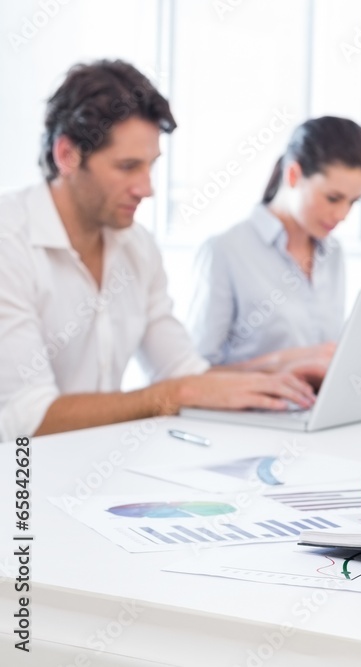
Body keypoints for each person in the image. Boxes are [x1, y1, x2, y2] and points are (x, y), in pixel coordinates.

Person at [0, 60, 317, 440]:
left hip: (96, 472)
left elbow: (183, 372)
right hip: (20, 484)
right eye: (127, 166)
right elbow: (26, 419)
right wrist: (171, 394)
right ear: (67, 155)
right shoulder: (10, 242)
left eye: (150, 166)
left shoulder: (137, 246)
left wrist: (284, 369)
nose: (146, 188)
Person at [187, 117, 361, 369]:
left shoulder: (332, 252)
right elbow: (193, 374)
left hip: (318, 406)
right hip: (252, 409)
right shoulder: (225, 251)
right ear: (294, 175)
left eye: (353, 202)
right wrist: (278, 364)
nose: (343, 215)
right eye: (333, 198)